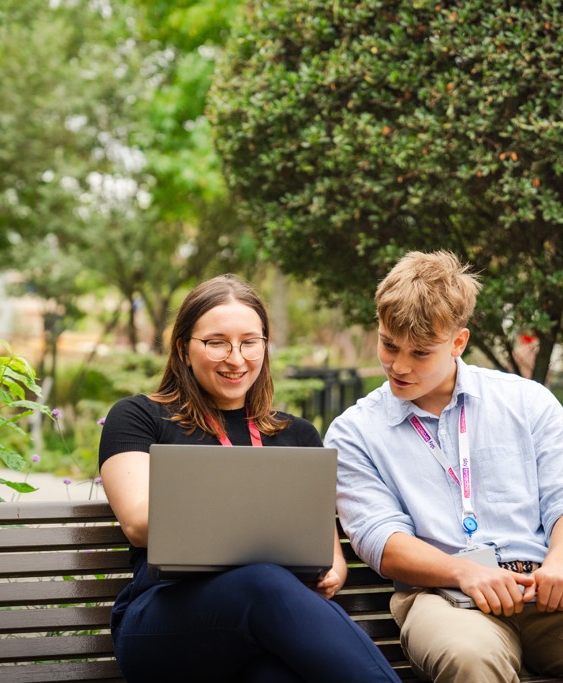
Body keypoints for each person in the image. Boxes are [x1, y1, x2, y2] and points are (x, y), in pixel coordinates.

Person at [326, 251, 563, 683]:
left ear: (458, 343)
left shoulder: (527, 402)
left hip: (549, 590)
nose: (398, 366)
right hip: (445, 597)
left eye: (420, 352)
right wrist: (466, 571)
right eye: (388, 344)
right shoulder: (354, 432)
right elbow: (381, 538)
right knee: (471, 659)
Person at [99, 274, 401, 683]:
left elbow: (326, 550)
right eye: (217, 342)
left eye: (250, 342)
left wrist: (333, 572)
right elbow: (138, 522)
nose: (236, 358)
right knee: (263, 580)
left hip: (265, 625)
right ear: (183, 349)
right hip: (165, 621)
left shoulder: (297, 434)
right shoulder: (138, 416)